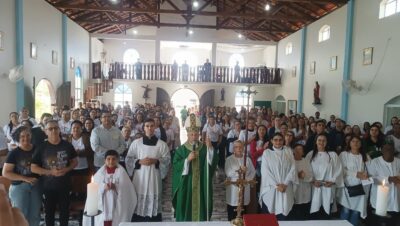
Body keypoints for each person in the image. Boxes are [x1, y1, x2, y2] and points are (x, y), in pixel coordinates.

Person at [31, 120, 78, 226]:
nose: (53, 130)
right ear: (46, 131)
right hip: (48, 187)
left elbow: (75, 162)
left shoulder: (67, 145)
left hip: (65, 185)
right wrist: (50, 172)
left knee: (65, 213)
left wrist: (67, 169)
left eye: (56, 128)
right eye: (50, 129)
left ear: (59, 129)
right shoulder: (41, 147)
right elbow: (33, 168)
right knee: (49, 213)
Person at [172, 114, 219, 221]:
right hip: (186, 185)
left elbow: (213, 162)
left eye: (196, 134)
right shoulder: (181, 150)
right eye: (191, 134)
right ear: (187, 134)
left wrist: (210, 148)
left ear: (199, 134)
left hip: (201, 185)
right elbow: (175, 166)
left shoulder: (204, 148)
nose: (194, 136)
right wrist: (187, 160)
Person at [126, 118, 170, 222]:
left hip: (154, 176)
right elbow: (129, 158)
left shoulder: (162, 144)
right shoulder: (136, 143)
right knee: (139, 198)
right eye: (147, 126)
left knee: (154, 199)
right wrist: (139, 162)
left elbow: (167, 160)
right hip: (140, 177)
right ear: (143, 128)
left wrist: (157, 161)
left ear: (155, 127)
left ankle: (154, 219)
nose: (149, 128)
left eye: (151, 126)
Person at [83, 150, 137, 226]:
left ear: (117, 160)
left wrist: (116, 187)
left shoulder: (122, 173)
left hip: (116, 202)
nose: (111, 161)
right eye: (108, 159)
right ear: (105, 160)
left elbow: (127, 190)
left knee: (115, 221)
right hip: (104, 203)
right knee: (104, 220)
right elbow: (94, 189)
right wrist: (103, 187)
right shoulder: (100, 174)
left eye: (113, 159)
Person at [2, 126, 41, 226]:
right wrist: (25, 178)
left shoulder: (38, 150)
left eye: (28, 135)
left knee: (35, 215)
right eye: (22, 136)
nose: (25, 138)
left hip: (36, 186)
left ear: (31, 136)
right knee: (21, 216)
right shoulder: (14, 153)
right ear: (18, 137)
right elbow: (6, 173)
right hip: (19, 187)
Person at [259, 133, 297, 220]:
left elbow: (293, 168)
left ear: (283, 141)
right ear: (271, 141)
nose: (278, 142)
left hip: (286, 187)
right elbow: (265, 172)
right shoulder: (267, 153)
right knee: (269, 217)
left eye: (280, 140)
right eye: (275, 140)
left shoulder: (288, 151)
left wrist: (285, 184)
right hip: (271, 188)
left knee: (285, 214)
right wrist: (277, 185)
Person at [305, 134, 343, 219]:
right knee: (314, 214)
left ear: (327, 142)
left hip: (328, 187)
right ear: (316, 142)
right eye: (319, 140)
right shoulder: (310, 154)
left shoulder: (333, 155)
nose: (321, 142)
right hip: (314, 188)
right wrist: (312, 181)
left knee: (326, 214)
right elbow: (306, 170)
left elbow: (338, 170)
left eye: (324, 140)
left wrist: (332, 181)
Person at [337, 136, 370, 226]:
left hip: (361, 188)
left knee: (356, 212)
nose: (355, 143)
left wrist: (366, 175)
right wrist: (356, 174)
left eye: (357, 141)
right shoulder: (344, 154)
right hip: (347, 187)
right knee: (346, 210)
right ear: (349, 143)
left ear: (361, 143)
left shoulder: (365, 156)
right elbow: (341, 170)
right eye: (353, 141)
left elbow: (370, 170)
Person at [367, 143, 400, 224]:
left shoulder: (398, 161)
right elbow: (370, 179)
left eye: (390, 149)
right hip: (379, 202)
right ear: (382, 150)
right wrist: (389, 179)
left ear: (394, 151)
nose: (388, 150)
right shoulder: (374, 162)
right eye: (386, 149)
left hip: (395, 202)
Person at [225, 140, 256, 221]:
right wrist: (240, 171)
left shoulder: (247, 159)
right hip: (234, 189)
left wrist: (247, 179)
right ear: (233, 149)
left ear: (243, 148)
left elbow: (253, 172)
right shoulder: (229, 159)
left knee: (243, 210)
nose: (239, 149)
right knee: (232, 212)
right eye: (236, 147)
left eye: (240, 147)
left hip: (244, 188)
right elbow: (229, 173)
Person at [291, 144, 313, 220]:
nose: (297, 150)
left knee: (304, 213)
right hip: (294, 190)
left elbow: (311, 175)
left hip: (304, 190)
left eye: (300, 149)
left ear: (303, 152)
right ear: (293, 151)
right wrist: (297, 175)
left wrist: (304, 176)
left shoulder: (306, 161)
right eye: (296, 149)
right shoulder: (290, 161)